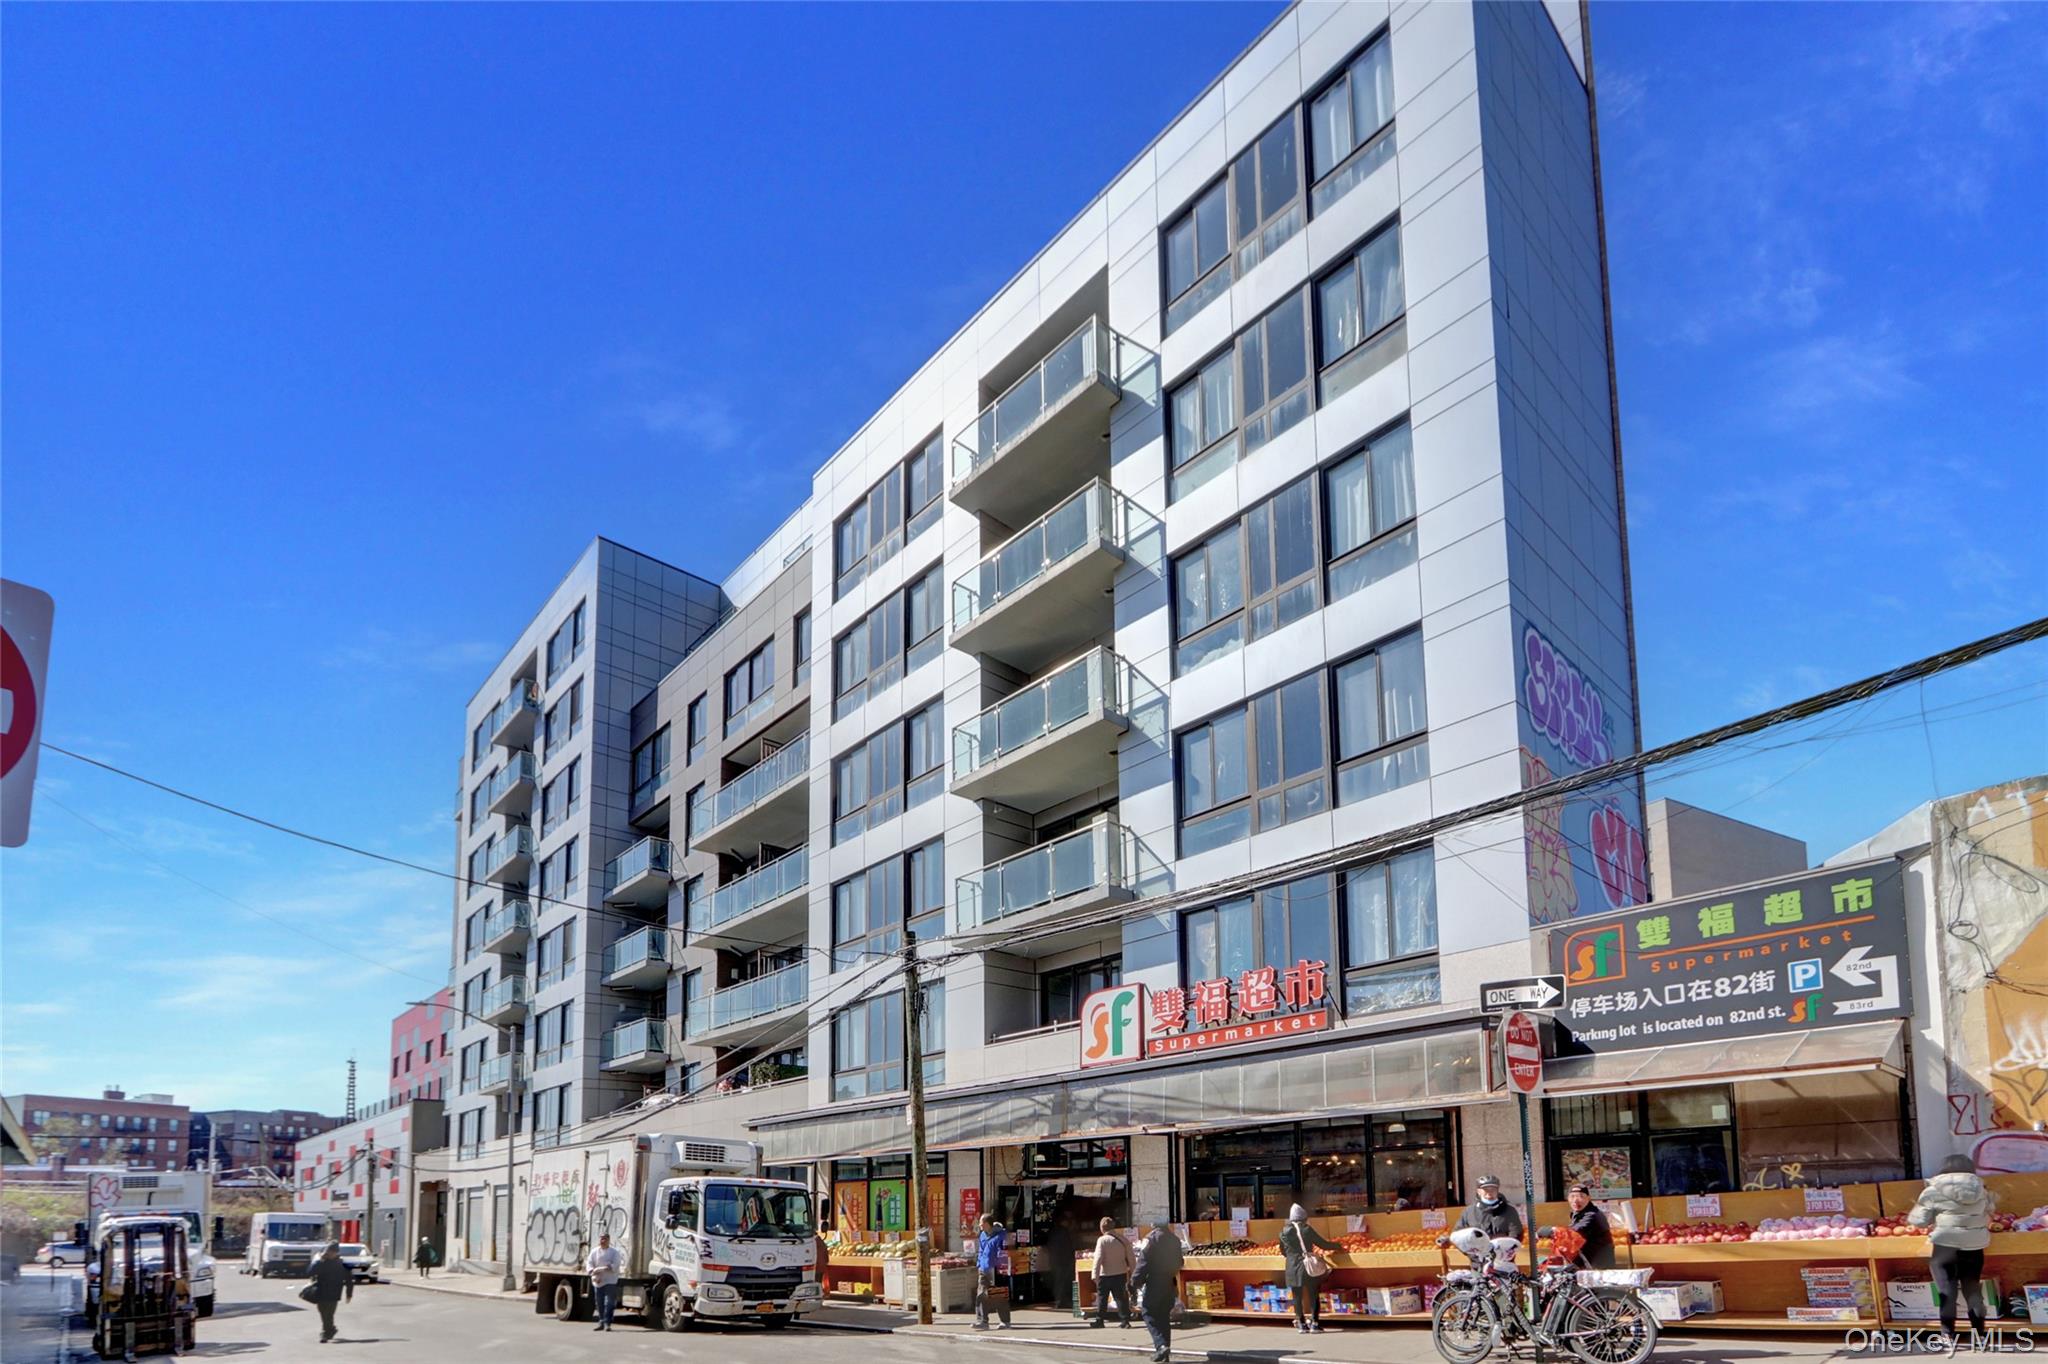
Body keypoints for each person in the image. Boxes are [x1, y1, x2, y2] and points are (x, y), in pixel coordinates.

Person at [1908, 1153, 1996, 1341]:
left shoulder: (1933, 1190)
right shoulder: (1981, 1189)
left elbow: (1919, 1221)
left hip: (1944, 1245)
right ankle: (1979, 1335)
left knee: (1947, 1290)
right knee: (1972, 1288)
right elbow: (1990, 1213)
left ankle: (1948, 1335)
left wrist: (1933, 1219)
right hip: (1974, 1245)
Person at [1279, 1204, 1338, 1333]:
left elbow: (1283, 1251)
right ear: (1304, 1218)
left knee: (1297, 1296)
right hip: (1308, 1266)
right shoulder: (1307, 1229)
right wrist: (1338, 1246)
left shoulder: (1283, 1232)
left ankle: (1301, 1324)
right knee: (1313, 1294)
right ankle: (1315, 1323)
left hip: (1292, 1267)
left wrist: (1292, 1257)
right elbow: (1323, 1244)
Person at [1133, 1220, 1183, 1363]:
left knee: (1148, 1312)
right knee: (1163, 1316)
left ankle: (1161, 1346)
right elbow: (1180, 1262)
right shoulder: (1174, 1239)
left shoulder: (1150, 1239)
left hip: (1154, 1282)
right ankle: (1164, 1351)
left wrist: (1135, 1282)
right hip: (1169, 1282)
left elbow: (1143, 1263)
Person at [1091, 1217, 1134, 1329]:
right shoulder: (1123, 1239)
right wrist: (1133, 1272)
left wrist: (1094, 1275)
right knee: (1121, 1297)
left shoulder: (1102, 1240)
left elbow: (1098, 1259)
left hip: (1105, 1274)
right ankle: (1125, 1320)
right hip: (1120, 1273)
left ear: (1102, 1228)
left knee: (1102, 1298)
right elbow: (1131, 1258)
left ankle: (1100, 1320)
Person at [307, 1242, 354, 1343]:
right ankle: (331, 1329)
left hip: (334, 1292)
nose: (329, 1254)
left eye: (331, 1252)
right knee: (323, 1312)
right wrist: (320, 1260)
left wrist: (349, 1294)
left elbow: (349, 1280)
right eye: (327, 1252)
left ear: (336, 1253)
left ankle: (325, 1333)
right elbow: (310, 1272)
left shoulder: (342, 1264)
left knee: (329, 1313)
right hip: (321, 1291)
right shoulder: (322, 1263)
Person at [1456, 1175, 1524, 1242]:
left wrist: (1505, 1247)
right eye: (1486, 1189)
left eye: (1493, 1189)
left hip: (1502, 1250)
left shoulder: (1509, 1210)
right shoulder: (1469, 1212)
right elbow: (1458, 1234)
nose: (1489, 1192)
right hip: (1477, 1251)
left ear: (1497, 1190)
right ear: (1478, 1191)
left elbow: (1516, 1232)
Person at [1563, 1185, 1616, 1269]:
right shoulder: (1577, 1213)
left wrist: (1551, 1231)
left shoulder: (1592, 1215)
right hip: (1589, 1263)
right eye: (1572, 1197)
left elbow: (1576, 1230)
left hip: (1599, 1266)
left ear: (1588, 1198)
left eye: (1581, 1196)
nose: (1576, 1200)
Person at [973, 1215, 1011, 1331]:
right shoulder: (983, 1235)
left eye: (981, 1223)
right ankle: (982, 1321)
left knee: (998, 1295)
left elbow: (1004, 1252)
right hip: (984, 1268)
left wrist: (1002, 1267)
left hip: (996, 1269)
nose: (979, 1225)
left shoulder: (1001, 1235)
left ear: (987, 1223)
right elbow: (981, 1250)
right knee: (981, 1294)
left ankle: (1005, 1321)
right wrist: (979, 1264)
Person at [586, 1232, 626, 1332]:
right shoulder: (594, 1251)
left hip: (610, 1280)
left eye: (604, 1239)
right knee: (599, 1302)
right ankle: (601, 1321)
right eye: (601, 1239)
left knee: (609, 1302)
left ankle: (607, 1323)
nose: (602, 1241)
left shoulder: (614, 1252)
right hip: (598, 1280)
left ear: (608, 1240)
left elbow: (616, 1264)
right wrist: (592, 1271)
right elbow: (589, 1263)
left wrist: (610, 1267)